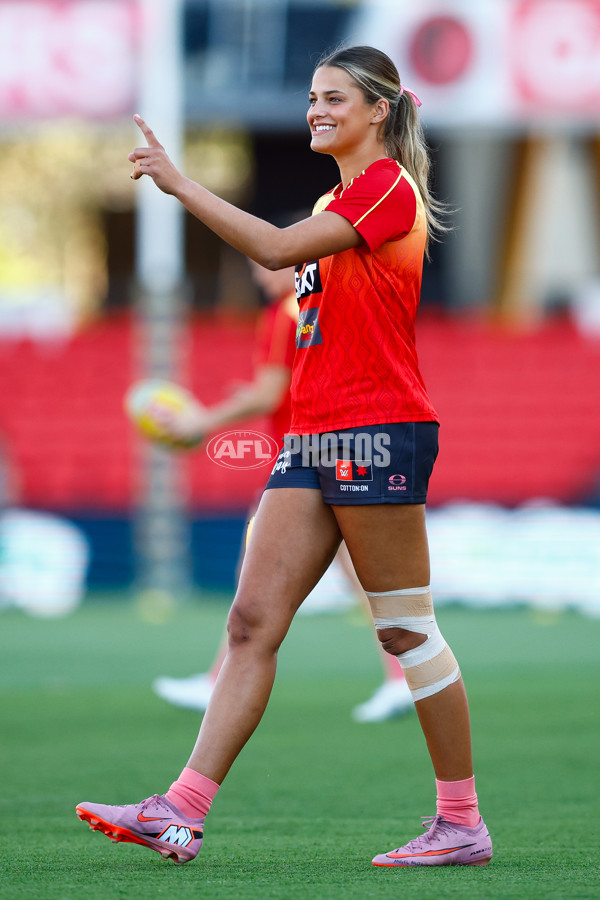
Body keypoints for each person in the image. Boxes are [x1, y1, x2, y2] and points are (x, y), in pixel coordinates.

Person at [77, 45, 492, 868]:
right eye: (310, 97)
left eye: (334, 97)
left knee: (407, 630)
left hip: (378, 429)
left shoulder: (383, 188)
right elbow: (299, 309)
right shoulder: (337, 196)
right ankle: (180, 810)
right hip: (313, 434)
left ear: (380, 110)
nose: (316, 109)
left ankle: (462, 822)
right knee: (250, 621)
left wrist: (180, 183)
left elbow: (271, 251)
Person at [152, 259, 414, 723]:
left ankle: (218, 681)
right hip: (341, 449)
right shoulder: (327, 306)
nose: (258, 273)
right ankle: (404, 678)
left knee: (255, 573)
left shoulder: (283, 313)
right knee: (364, 576)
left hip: (300, 460)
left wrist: (202, 421)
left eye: (263, 263)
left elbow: (268, 395)